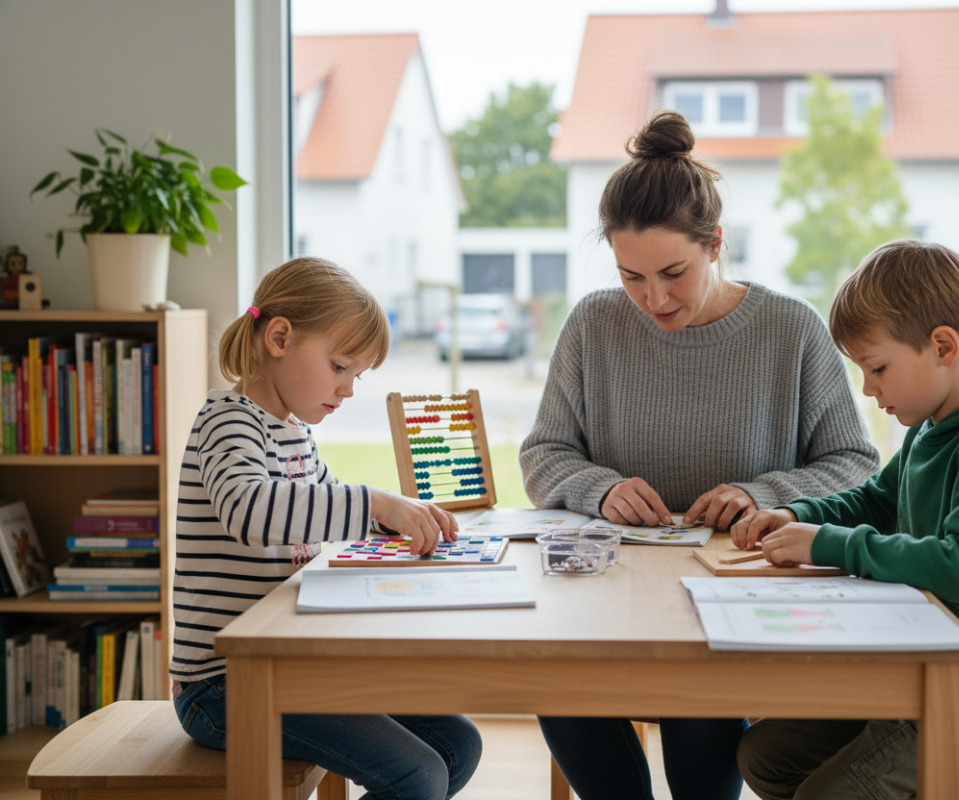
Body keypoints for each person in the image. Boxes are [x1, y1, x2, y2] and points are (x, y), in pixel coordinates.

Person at [520, 110, 879, 800]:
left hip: (735, 590)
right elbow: (544, 454)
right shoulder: (592, 323)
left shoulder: (791, 329)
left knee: (700, 708)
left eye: (673, 272)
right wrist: (600, 488)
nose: (652, 299)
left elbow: (854, 464)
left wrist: (763, 494)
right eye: (631, 276)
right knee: (558, 684)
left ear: (715, 245)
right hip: (611, 591)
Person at [731, 239, 959, 800]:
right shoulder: (931, 430)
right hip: (920, 675)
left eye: (878, 368)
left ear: (943, 346)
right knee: (764, 755)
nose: (868, 389)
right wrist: (796, 513)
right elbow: (875, 501)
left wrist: (828, 544)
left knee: (828, 794)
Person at [170, 257, 482, 800]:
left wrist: (398, 521)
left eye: (356, 375)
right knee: (419, 775)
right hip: (223, 685)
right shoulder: (228, 419)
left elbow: (326, 506)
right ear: (279, 338)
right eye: (340, 367)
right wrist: (376, 503)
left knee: (459, 743)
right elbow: (249, 510)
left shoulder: (293, 432)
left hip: (287, 667)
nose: (349, 389)